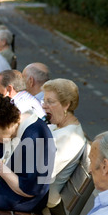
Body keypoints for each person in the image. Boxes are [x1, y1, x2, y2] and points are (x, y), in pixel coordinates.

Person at [41, 78, 86, 208]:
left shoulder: (69, 137)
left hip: (41, 199)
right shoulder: (58, 126)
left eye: (50, 102)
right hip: (34, 191)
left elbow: (43, 175)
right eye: (44, 101)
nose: (44, 105)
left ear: (66, 104)